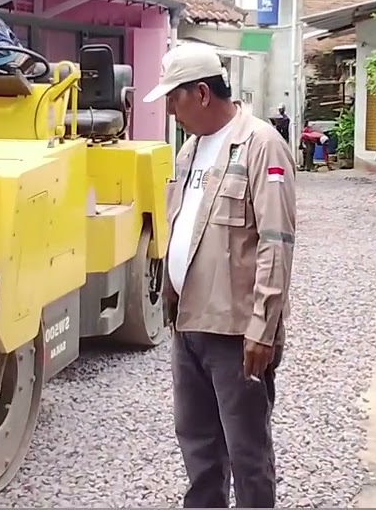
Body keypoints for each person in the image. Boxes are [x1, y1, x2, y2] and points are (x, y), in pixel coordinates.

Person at [144, 43, 297, 509]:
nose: (170, 109)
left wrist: (263, 328)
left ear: (202, 93)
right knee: (198, 444)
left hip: (235, 331)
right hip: (188, 322)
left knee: (247, 451)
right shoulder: (190, 150)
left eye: (174, 97)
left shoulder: (261, 144)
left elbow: (276, 239)